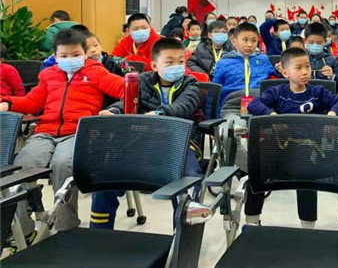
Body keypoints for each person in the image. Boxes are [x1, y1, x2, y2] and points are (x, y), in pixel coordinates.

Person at [0, 29, 124, 239]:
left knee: (63, 165)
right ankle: (23, 231)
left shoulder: (97, 72)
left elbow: (127, 90)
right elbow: (32, 102)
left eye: (75, 54)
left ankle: (66, 229)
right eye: (64, 55)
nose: (70, 59)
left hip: (77, 132)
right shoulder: (48, 75)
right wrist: (7, 103)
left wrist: (114, 110)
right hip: (45, 132)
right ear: (55, 56)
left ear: (85, 54)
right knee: (21, 166)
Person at [92, 38, 204, 229]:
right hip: (142, 141)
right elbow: (127, 102)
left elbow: (184, 106)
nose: (176, 66)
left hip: (180, 142)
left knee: (190, 180)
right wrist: (114, 111)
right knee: (105, 177)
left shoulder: (190, 83)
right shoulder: (142, 81)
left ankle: (184, 235)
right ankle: (99, 233)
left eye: (180, 61)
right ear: (154, 65)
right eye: (169, 62)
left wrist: (159, 114)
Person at [245, 47, 338, 228]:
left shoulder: (318, 92)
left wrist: (332, 113)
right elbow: (254, 105)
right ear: (285, 72)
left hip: (311, 150)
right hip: (281, 149)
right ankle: (252, 222)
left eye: (307, 67)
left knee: (305, 176)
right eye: (298, 68)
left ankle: (308, 228)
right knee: (257, 173)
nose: (305, 72)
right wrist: (272, 116)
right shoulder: (277, 92)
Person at [212, 22, 278, 108]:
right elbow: (215, 93)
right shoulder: (223, 63)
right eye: (245, 40)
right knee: (232, 117)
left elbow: (276, 78)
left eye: (254, 41)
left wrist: (280, 70)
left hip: (261, 104)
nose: (249, 45)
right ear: (234, 41)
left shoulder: (263, 59)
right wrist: (216, 114)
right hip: (233, 106)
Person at [304, 23, 338, 93]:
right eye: (311, 42)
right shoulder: (300, 59)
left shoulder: (332, 60)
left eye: (319, 43)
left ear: (325, 42)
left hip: (326, 95)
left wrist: (332, 77)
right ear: (305, 41)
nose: (315, 45)